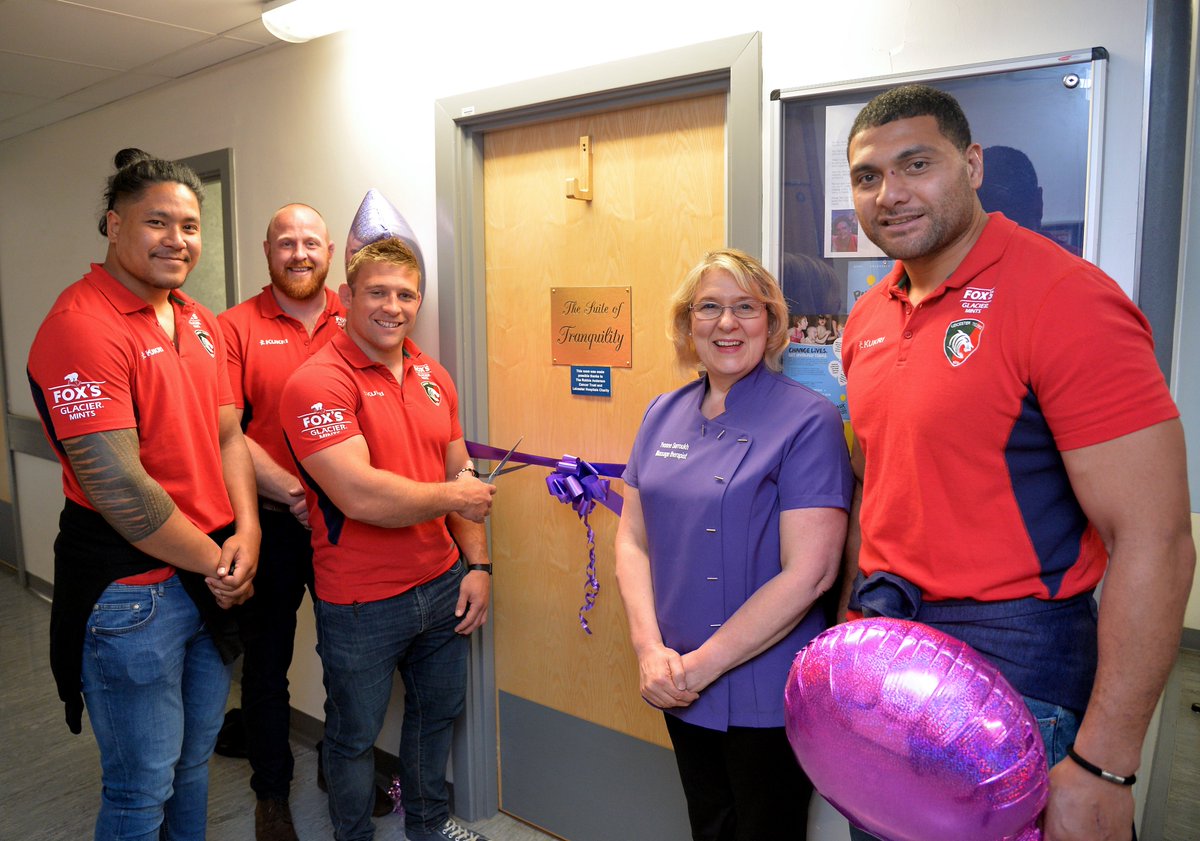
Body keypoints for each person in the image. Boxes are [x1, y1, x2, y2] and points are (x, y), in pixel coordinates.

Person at [840, 84, 1195, 841]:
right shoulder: (868, 315)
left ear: (972, 165)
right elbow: (877, 486)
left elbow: (1156, 540)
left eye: (916, 164)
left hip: (1017, 660)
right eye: (868, 176)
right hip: (888, 641)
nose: (890, 193)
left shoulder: (1064, 297)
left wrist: (1105, 765)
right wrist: (853, 627)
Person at [27, 147, 260, 841]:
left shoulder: (198, 320)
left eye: (189, 226)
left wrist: (248, 532)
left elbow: (229, 435)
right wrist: (220, 564)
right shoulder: (81, 324)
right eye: (157, 222)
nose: (177, 240)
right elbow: (118, 486)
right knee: (140, 788)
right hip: (133, 593)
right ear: (113, 224)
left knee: (192, 767)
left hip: (207, 573)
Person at [614, 248, 853, 841]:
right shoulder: (661, 413)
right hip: (674, 677)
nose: (727, 323)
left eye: (746, 307)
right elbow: (632, 540)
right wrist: (650, 651)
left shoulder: (809, 420)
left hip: (764, 685)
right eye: (709, 308)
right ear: (687, 323)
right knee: (709, 823)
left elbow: (812, 573)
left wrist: (699, 667)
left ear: (771, 323)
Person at [280, 237, 497, 841]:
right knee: (353, 737)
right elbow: (360, 496)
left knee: (436, 716)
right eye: (377, 292)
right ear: (346, 296)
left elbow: (459, 474)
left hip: (443, 584)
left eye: (406, 294)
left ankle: (428, 827)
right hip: (361, 600)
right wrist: (455, 496)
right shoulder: (316, 382)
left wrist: (479, 566)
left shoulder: (433, 375)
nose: (393, 307)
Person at [217, 203, 346, 840]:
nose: (299, 254)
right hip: (272, 523)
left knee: (349, 658)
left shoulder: (359, 316)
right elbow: (227, 431)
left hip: (348, 528)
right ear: (267, 251)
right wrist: (296, 492)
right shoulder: (234, 327)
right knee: (266, 667)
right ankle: (271, 795)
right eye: (286, 243)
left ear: (331, 251)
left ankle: (340, 771)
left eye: (311, 242)